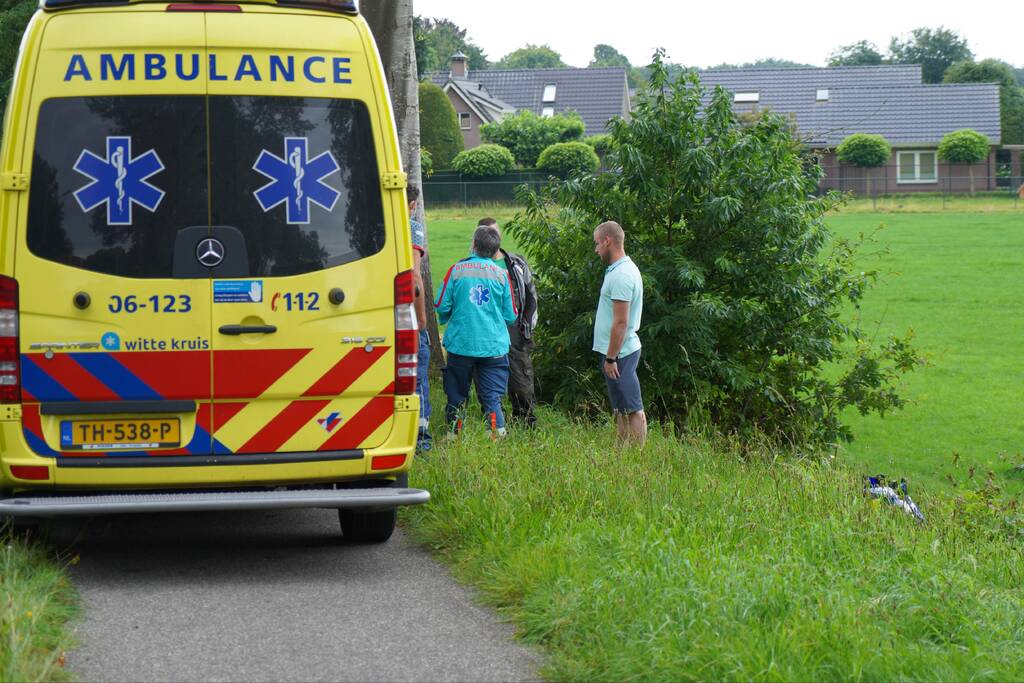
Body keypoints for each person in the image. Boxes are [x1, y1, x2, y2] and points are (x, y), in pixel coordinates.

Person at [435, 225, 517, 437]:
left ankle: (454, 435)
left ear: (473, 244)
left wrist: (450, 317)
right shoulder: (501, 275)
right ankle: (497, 435)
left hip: (461, 346)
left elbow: (441, 306)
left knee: (457, 394)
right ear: (495, 249)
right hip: (493, 348)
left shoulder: (456, 271)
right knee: (491, 397)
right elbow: (511, 315)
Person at [479, 217, 539, 428]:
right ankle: (495, 423)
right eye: (487, 233)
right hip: (485, 332)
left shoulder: (516, 264)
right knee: (487, 380)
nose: (492, 237)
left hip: (515, 330)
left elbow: (531, 297)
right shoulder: (472, 267)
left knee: (520, 380)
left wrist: (527, 328)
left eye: (494, 232)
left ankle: (525, 422)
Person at [592, 221, 647, 446]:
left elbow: (621, 322)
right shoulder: (618, 270)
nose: (596, 249)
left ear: (608, 241)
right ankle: (621, 454)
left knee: (633, 408)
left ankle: (637, 457)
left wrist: (611, 357)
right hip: (615, 353)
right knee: (621, 409)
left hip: (620, 353)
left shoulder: (622, 275)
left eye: (597, 244)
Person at [408, 185, 432, 452]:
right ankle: (421, 439)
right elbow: (414, 275)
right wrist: (422, 319)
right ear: (413, 204)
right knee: (417, 378)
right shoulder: (412, 227)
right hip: (407, 317)